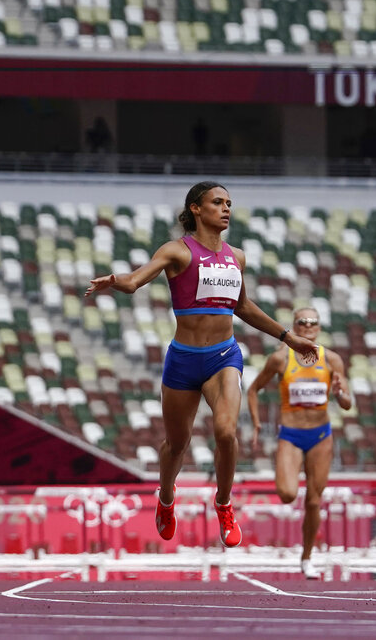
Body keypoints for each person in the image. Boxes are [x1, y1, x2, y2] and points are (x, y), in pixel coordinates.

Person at [85, 181, 317, 548]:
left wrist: (289, 337)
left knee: (226, 432)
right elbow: (134, 282)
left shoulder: (236, 257)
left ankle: (223, 503)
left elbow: (243, 307)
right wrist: (114, 281)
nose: (226, 208)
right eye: (217, 202)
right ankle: (165, 497)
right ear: (196, 208)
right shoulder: (177, 251)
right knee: (176, 444)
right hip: (183, 360)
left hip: (224, 356)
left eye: (229, 203)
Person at [246, 307, 351, 579]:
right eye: (301, 322)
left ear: (319, 328)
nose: (307, 326)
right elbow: (253, 389)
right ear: (293, 326)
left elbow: (348, 403)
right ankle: (304, 553)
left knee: (314, 502)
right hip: (291, 435)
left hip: (320, 436)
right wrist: (256, 423)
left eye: (313, 322)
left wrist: (339, 394)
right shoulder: (281, 358)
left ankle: (306, 558)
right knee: (287, 494)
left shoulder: (332, 360)